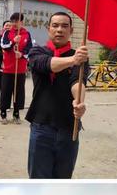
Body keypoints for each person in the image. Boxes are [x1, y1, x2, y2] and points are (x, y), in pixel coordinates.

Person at [26, 12, 88, 178]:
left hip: (69, 128)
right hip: (41, 127)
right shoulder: (37, 52)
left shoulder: (80, 58)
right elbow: (47, 65)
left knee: (63, 180)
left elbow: (77, 82)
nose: (60, 30)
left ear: (72, 30)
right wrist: (73, 60)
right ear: (48, 29)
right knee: (38, 179)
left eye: (64, 26)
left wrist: (79, 101)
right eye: (55, 25)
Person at [0, 12, 32, 124]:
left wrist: (22, 54)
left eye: (16, 21)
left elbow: (30, 50)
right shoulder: (7, 33)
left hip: (20, 69)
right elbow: (3, 45)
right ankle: (3, 113)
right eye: (12, 21)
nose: (14, 23)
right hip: (8, 68)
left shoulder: (27, 34)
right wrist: (13, 41)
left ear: (21, 22)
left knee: (18, 92)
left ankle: (16, 114)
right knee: (6, 91)